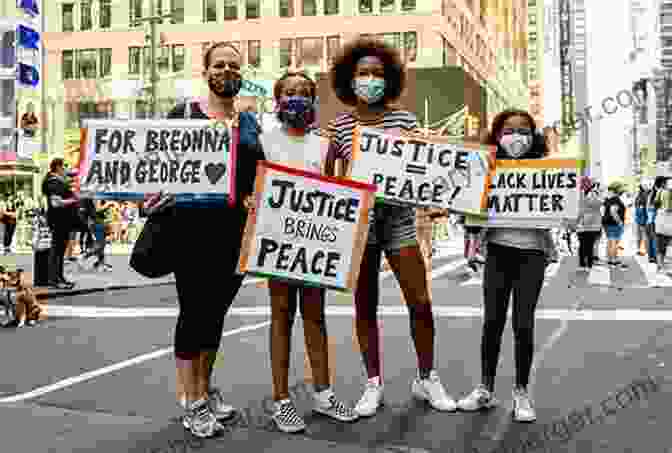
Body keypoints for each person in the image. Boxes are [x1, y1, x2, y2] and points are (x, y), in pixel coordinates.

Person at [324, 36, 456, 417]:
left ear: (390, 79)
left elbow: (424, 168)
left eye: (377, 73)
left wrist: (436, 200)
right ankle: (373, 383)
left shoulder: (405, 120)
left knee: (421, 301)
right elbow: (330, 176)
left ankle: (427, 377)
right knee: (365, 305)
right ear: (350, 79)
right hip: (359, 226)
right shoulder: (340, 126)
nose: (370, 79)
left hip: (399, 221)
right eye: (363, 73)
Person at [144, 41, 265, 438]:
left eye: (234, 65)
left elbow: (258, 175)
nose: (227, 71)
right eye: (219, 64)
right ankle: (192, 401)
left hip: (235, 235)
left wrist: (254, 196)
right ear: (205, 70)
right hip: (189, 231)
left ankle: (205, 389)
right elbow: (154, 167)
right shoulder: (181, 115)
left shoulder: (249, 123)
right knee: (193, 313)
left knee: (215, 316)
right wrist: (152, 193)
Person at [249, 70, 357, 433]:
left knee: (316, 317)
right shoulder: (263, 142)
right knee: (281, 318)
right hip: (277, 246)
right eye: (289, 92)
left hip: (314, 247)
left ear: (313, 101)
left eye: (305, 92)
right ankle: (282, 400)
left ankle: (323, 393)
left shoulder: (323, 146)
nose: (297, 98)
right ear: (277, 99)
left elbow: (331, 192)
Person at [456, 109, 551, 423]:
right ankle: (485, 389)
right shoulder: (485, 168)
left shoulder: (547, 171)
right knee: (492, 322)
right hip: (497, 252)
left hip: (532, 254)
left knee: (523, 325)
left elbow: (562, 209)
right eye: (509, 130)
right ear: (497, 135)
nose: (516, 136)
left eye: (523, 130)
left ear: (533, 136)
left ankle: (521, 392)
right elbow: (471, 215)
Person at [42, 158, 78, 289]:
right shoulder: (52, 181)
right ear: (58, 167)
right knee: (57, 250)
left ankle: (59, 277)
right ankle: (54, 280)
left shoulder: (58, 181)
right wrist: (73, 200)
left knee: (60, 250)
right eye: (65, 166)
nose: (66, 169)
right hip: (58, 221)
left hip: (63, 221)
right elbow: (55, 203)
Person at [576, 176, 603, 271]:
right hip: (589, 223)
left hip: (583, 223)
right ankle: (587, 264)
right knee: (588, 244)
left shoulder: (578, 194)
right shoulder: (592, 194)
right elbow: (599, 203)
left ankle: (583, 264)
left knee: (584, 244)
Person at [602, 182, 628, 269]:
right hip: (614, 224)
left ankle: (609, 259)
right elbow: (613, 211)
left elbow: (604, 211)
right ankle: (614, 260)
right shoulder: (616, 199)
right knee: (615, 242)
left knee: (610, 241)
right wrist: (620, 222)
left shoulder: (607, 199)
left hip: (606, 223)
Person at [654, 178, 672, 273]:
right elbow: (669, 208)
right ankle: (662, 265)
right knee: (666, 244)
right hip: (668, 220)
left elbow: (654, 205)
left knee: (660, 244)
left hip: (660, 220)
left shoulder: (659, 192)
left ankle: (660, 266)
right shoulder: (667, 192)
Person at [646, 177, 666, 264]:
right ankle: (656, 259)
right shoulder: (658, 192)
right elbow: (652, 207)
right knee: (656, 241)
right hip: (655, 220)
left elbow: (648, 207)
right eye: (665, 183)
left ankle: (652, 257)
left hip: (650, 220)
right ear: (662, 183)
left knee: (651, 239)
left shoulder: (652, 192)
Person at [634, 182, 649, 256]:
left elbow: (638, 207)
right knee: (644, 235)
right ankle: (645, 251)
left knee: (640, 235)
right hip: (643, 219)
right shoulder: (644, 196)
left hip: (639, 219)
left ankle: (639, 249)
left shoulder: (639, 196)